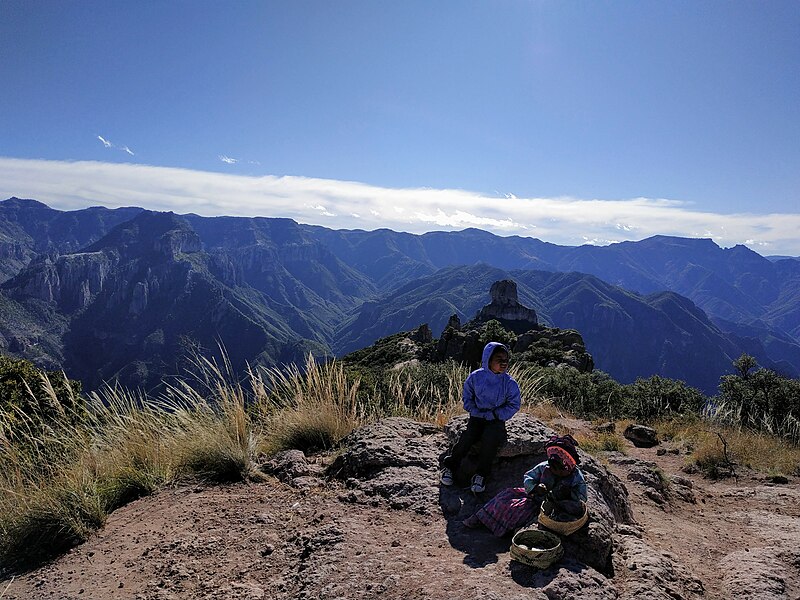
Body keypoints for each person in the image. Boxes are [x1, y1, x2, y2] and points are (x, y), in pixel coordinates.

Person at [462, 434, 588, 537]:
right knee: (505, 497)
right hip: (535, 498)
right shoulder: (544, 467)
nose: (558, 473)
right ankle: (481, 517)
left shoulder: (576, 477)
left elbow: (582, 498)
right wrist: (535, 487)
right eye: (554, 470)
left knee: (520, 513)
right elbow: (529, 477)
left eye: (561, 471)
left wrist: (570, 494)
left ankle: (511, 529)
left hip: (557, 506)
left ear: (569, 466)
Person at [440, 341, 521, 493]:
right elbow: (467, 398)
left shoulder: (509, 383)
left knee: (490, 441)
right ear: (488, 359)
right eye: (499, 359)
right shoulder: (475, 377)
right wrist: (476, 411)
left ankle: (481, 475)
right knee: (468, 437)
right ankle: (450, 467)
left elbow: (514, 404)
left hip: (496, 419)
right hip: (477, 416)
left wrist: (497, 414)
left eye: (506, 360)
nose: (503, 363)